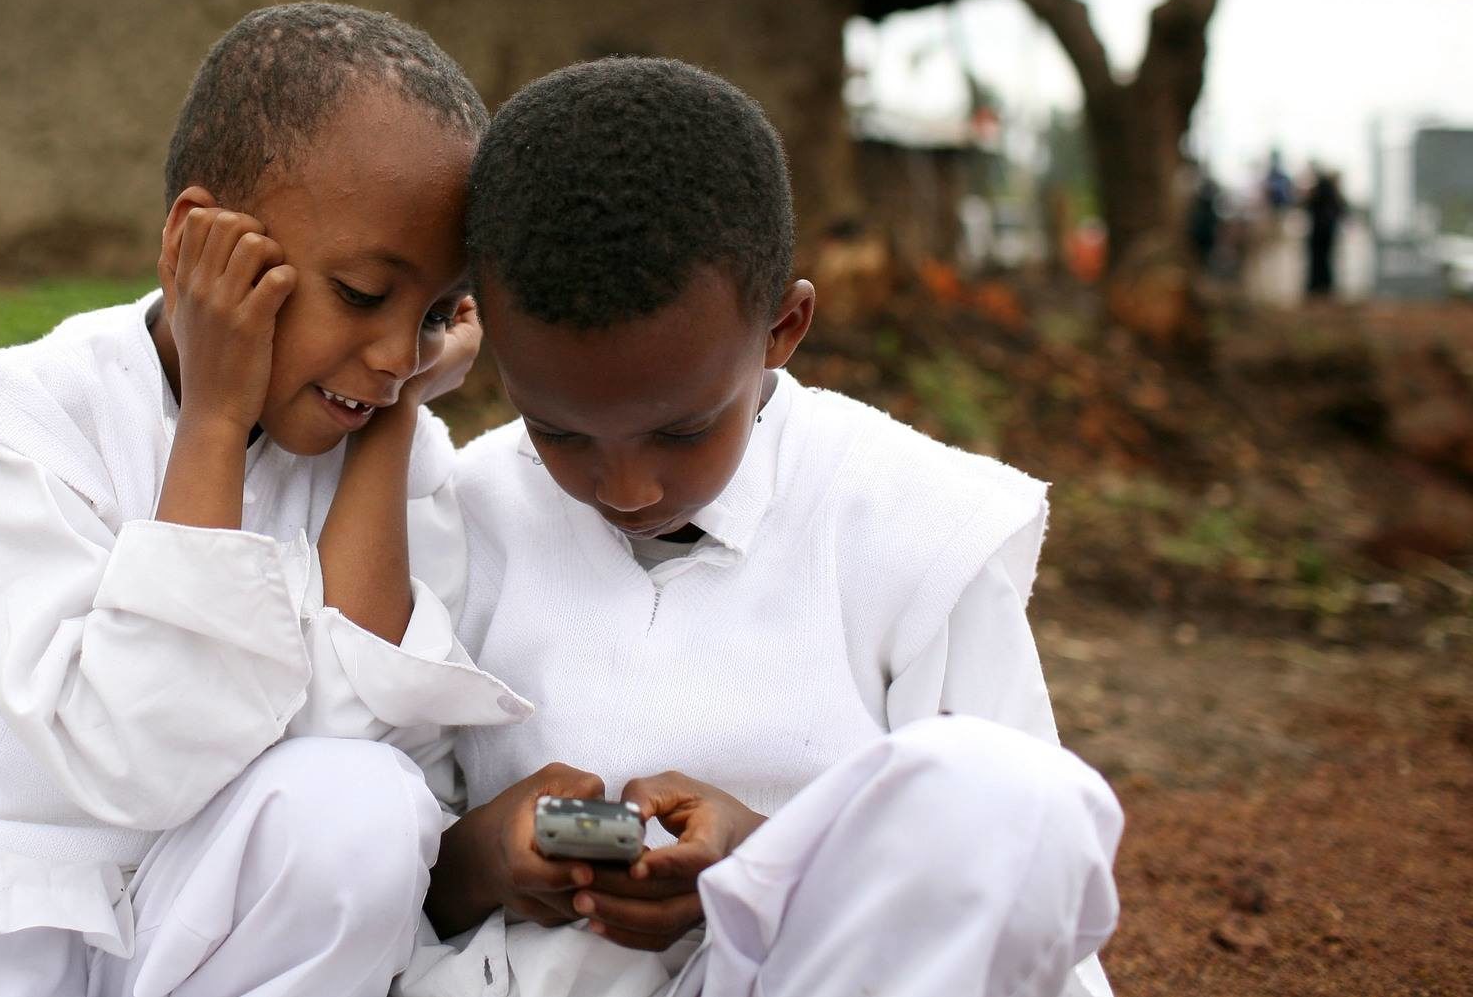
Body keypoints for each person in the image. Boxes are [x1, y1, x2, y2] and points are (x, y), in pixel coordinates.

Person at [0, 3, 532, 997]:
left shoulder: (391, 440)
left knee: (362, 805)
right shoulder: (6, 428)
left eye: (432, 312)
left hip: (211, 920)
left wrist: (392, 418)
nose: (394, 355)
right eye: (358, 293)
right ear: (196, 243)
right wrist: (213, 423)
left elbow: (353, 737)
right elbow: (140, 754)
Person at [399, 58, 1122, 997]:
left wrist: (769, 868)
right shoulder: (459, 516)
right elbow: (378, 868)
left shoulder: (915, 524)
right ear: (486, 332)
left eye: (683, 428)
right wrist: (490, 856)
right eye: (560, 430)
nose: (623, 485)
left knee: (1016, 793)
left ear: (784, 327)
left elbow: (1015, 869)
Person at [1304, 166, 1347, 297]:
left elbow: (1308, 205)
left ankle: (1318, 287)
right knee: (1322, 260)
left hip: (1319, 232)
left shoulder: (1319, 191)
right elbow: (1341, 209)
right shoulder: (1331, 192)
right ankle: (1322, 287)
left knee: (1319, 260)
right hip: (1326, 231)